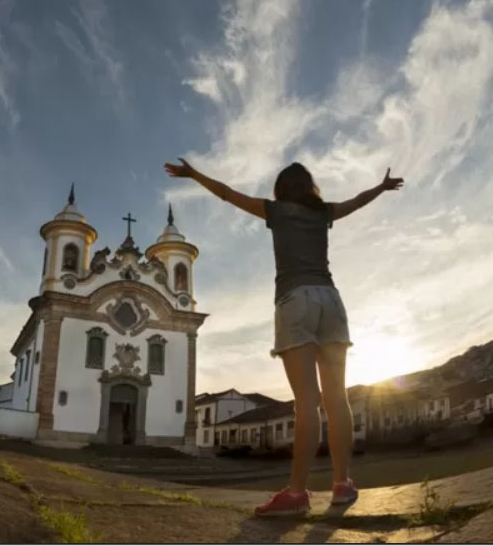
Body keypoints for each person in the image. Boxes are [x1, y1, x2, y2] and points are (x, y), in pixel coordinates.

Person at [163, 159, 403, 516]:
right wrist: (380, 189)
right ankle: (342, 485)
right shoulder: (323, 213)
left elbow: (228, 195)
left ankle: (297, 493)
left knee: (307, 402)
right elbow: (355, 202)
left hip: (295, 301)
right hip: (331, 300)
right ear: (310, 187)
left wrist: (194, 174)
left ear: (280, 189)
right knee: (337, 398)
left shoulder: (275, 211)